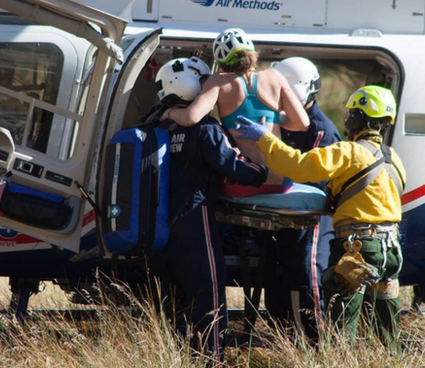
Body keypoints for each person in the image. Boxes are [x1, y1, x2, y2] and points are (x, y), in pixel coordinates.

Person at [233, 85, 406, 352]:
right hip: (391, 251)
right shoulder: (394, 158)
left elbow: (299, 166)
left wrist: (264, 138)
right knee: (387, 329)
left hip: (358, 250)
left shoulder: (349, 151)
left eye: (351, 114)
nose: (347, 119)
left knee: (341, 329)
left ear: (361, 118)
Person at [144, 56, 270, 361]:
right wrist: (263, 171)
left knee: (173, 303)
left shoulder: (154, 124)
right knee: (208, 296)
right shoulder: (204, 128)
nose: (206, 92)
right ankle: (210, 360)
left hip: (158, 230)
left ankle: (175, 358)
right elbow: (234, 167)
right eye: (202, 84)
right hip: (195, 224)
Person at [164, 28, 309, 187]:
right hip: (281, 181)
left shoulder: (219, 81)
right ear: (252, 52)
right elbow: (302, 123)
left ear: (221, 62)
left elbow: (190, 118)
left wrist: (169, 112)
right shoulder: (275, 76)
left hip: (250, 182)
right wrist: (271, 120)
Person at [263, 57, 341, 340]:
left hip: (313, 215)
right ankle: (284, 338)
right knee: (277, 274)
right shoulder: (279, 121)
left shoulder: (321, 130)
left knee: (309, 273)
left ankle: (318, 341)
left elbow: (316, 178)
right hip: (282, 214)